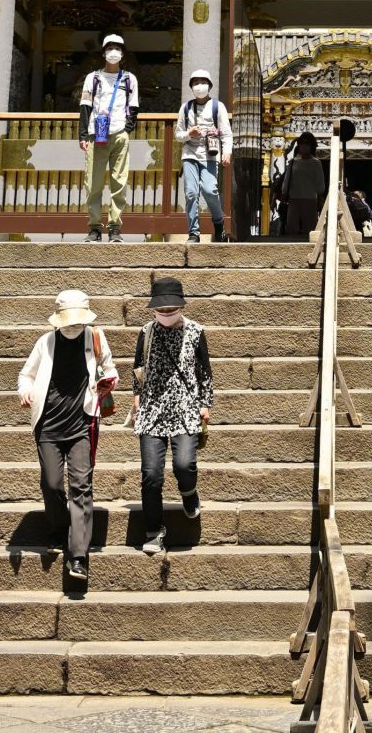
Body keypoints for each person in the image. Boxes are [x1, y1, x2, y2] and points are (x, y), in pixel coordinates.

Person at [17, 287, 117, 588]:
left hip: (82, 423)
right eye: (69, 322)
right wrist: (25, 391)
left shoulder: (95, 338)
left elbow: (111, 370)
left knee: (81, 485)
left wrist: (106, 382)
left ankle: (78, 556)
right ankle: (60, 529)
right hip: (48, 424)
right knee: (50, 483)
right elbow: (26, 375)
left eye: (78, 322)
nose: (74, 327)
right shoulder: (45, 343)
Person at [133, 274, 215, 557]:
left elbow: (205, 371)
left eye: (171, 310)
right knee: (151, 475)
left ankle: (189, 493)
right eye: (161, 310)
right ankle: (154, 531)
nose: (166, 314)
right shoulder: (146, 332)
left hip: (186, 406)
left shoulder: (195, 331)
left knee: (184, 464)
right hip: (152, 408)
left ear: (181, 307)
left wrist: (205, 404)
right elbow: (138, 368)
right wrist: (136, 401)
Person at [79, 33, 140, 244]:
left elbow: (134, 107)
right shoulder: (93, 78)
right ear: (103, 52)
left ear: (122, 54)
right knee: (93, 183)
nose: (113, 52)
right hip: (97, 135)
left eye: (118, 49)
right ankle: (94, 228)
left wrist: (126, 130)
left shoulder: (129, 79)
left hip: (119, 135)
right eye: (110, 48)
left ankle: (115, 228)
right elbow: (85, 107)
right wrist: (83, 135)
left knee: (119, 183)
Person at [177, 69, 233, 244]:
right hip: (190, 155)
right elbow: (178, 135)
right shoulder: (185, 107)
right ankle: (194, 233)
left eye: (202, 82)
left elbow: (226, 133)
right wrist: (189, 133)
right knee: (191, 193)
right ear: (191, 87)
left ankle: (218, 223)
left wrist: (227, 152)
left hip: (210, 155)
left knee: (210, 190)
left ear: (209, 86)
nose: (199, 86)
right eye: (195, 83)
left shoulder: (218, 106)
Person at [280, 130, 327, 239]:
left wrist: (320, 196)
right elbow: (287, 180)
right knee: (291, 227)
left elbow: (320, 183)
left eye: (307, 143)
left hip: (311, 199)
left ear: (311, 146)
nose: (304, 146)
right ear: (299, 145)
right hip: (294, 199)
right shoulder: (293, 162)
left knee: (310, 228)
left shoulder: (316, 163)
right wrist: (284, 194)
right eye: (302, 143)